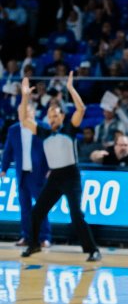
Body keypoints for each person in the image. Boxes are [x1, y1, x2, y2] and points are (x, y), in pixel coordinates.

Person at [18, 73, 101, 262]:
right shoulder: (44, 132)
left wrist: (71, 89)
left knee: (76, 215)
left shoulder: (69, 129)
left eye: (55, 116)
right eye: (49, 116)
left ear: (62, 116)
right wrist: (25, 97)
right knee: (37, 212)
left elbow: (81, 108)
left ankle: (92, 250)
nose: (52, 119)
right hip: (54, 177)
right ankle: (34, 244)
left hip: (71, 175)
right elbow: (24, 120)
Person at [1, 103, 51, 248]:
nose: (23, 114)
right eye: (20, 111)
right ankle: (26, 236)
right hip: (22, 174)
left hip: (39, 173)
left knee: (41, 207)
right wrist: (3, 168)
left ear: (33, 113)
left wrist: (51, 167)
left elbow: (50, 148)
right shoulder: (13, 129)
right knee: (24, 207)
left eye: (26, 111)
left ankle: (44, 237)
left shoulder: (42, 127)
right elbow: (8, 150)